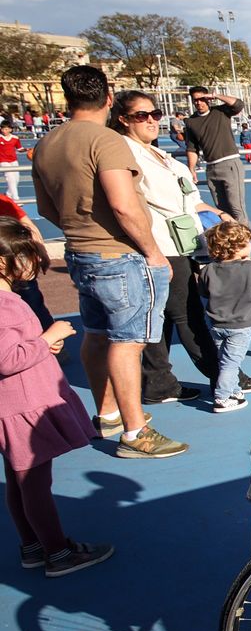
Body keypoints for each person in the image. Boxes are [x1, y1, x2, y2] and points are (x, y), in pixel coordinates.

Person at [30, 66, 187, 460]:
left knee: (98, 334)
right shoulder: (106, 140)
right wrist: (152, 251)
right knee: (127, 342)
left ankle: (110, 415)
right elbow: (123, 203)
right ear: (107, 98)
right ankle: (135, 432)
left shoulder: (48, 142)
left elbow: (47, 207)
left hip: (80, 253)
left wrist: (81, 228)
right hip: (119, 255)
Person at [111, 89, 251, 405]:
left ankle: (158, 382)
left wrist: (218, 212)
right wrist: (149, 249)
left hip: (179, 242)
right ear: (123, 120)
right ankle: (225, 377)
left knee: (160, 316)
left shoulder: (156, 153)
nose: (151, 120)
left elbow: (189, 197)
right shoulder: (124, 153)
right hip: (159, 245)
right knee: (187, 315)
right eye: (141, 115)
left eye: (155, 114)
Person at [0, 218, 108, 576]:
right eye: (26, 257)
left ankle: (32, 546)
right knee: (35, 485)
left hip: (14, 405)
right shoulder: (4, 305)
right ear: (3, 262)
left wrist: (42, 346)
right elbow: (6, 359)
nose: (32, 265)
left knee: (19, 483)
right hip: (24, 407)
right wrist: (46, 340)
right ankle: (58, 553)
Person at [198, 221, 251, 413]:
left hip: (215, 324)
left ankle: (234, 390)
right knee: (231, 363)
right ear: (239, 246)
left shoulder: (208, 270)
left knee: (224, 359)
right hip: (241, 325)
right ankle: (221, 398)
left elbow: (204, 292)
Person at [182, 86, 248, 223]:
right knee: (222, 210)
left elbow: (238, 104)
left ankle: (245, 237)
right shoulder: (191, 122)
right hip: (211, 168)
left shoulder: (220, 112)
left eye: (202, 99)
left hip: (230, 164)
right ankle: (231, 239)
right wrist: (191, 168)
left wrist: (217, 95)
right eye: (196, 100)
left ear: (208, 99)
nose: (199, 103)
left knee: (237, 208)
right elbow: (192, 148)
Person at [0, 194, 51, 327]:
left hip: (13, 266)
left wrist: (41, 252)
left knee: (33, 306)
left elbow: (27, 225)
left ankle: (47, 336)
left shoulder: (3, 201)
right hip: (10, 265)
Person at [0, 122, 21, 200]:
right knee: (11, 179)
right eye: (3, 129)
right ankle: (16, 199)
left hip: (14, 160)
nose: (5, 131)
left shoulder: (15, 138)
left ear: (10, 129)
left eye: (6, 129)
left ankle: (8, 194)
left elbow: (19, 148)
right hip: (3, 161)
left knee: (16, 179)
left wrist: (27, 150)